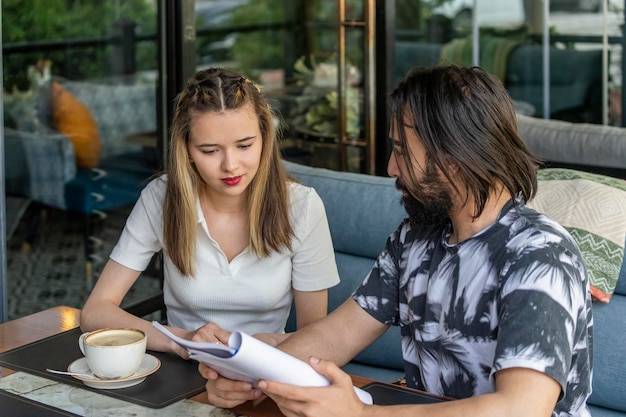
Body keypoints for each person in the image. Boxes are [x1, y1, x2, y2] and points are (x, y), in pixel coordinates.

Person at [199, 65, 593, 417]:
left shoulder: (540, 256)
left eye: (402, 151)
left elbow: (521, 409)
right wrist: (249, 378)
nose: (391, 167)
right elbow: (336, 335)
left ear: (452, 157)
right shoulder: (415, 239)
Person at [80, 68, 340, 358]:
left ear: (265, 138)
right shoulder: (162, 198)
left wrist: (273, 349)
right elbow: (95, 312)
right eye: (210, 150)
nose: (230, 165)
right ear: (188, 149)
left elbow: (316, 339)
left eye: (244, 145)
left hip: (268, 372)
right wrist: (182, 340)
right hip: (184, 370)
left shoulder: (302, 207)